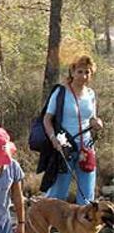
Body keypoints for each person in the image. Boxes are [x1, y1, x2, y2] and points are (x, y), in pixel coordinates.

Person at [42, 55, 103, 204]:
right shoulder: (61, 92)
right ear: (72, 71)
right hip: (65, 148)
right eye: (80, 71)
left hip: (86, 148)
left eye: (87, 72)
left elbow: (92, 118)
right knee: (58, 194)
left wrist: (97, 123)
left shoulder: (91, 94)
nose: (83, 76)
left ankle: (85, 226)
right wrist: (53, 139)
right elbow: (47, 119)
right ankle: (45, 223)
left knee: (87, 196)